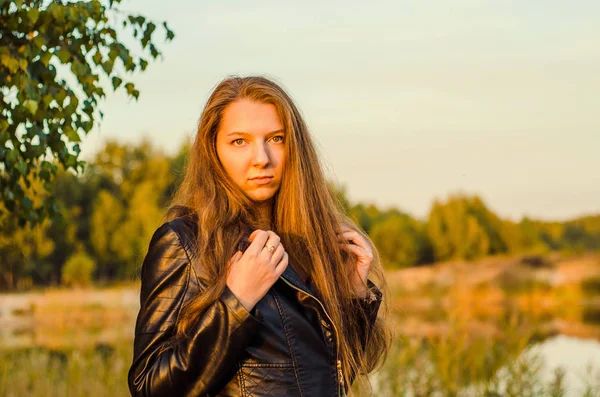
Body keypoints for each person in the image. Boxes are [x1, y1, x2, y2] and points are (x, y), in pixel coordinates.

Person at [127, 76, 392, 397]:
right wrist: (236, 302)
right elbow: (148, 388)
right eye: (240, 141)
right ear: (214, 150)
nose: (262, 158)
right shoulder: (186, 242)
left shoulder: (308, 247)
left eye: (276, 139)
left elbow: (327, 383)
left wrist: (352, 296)